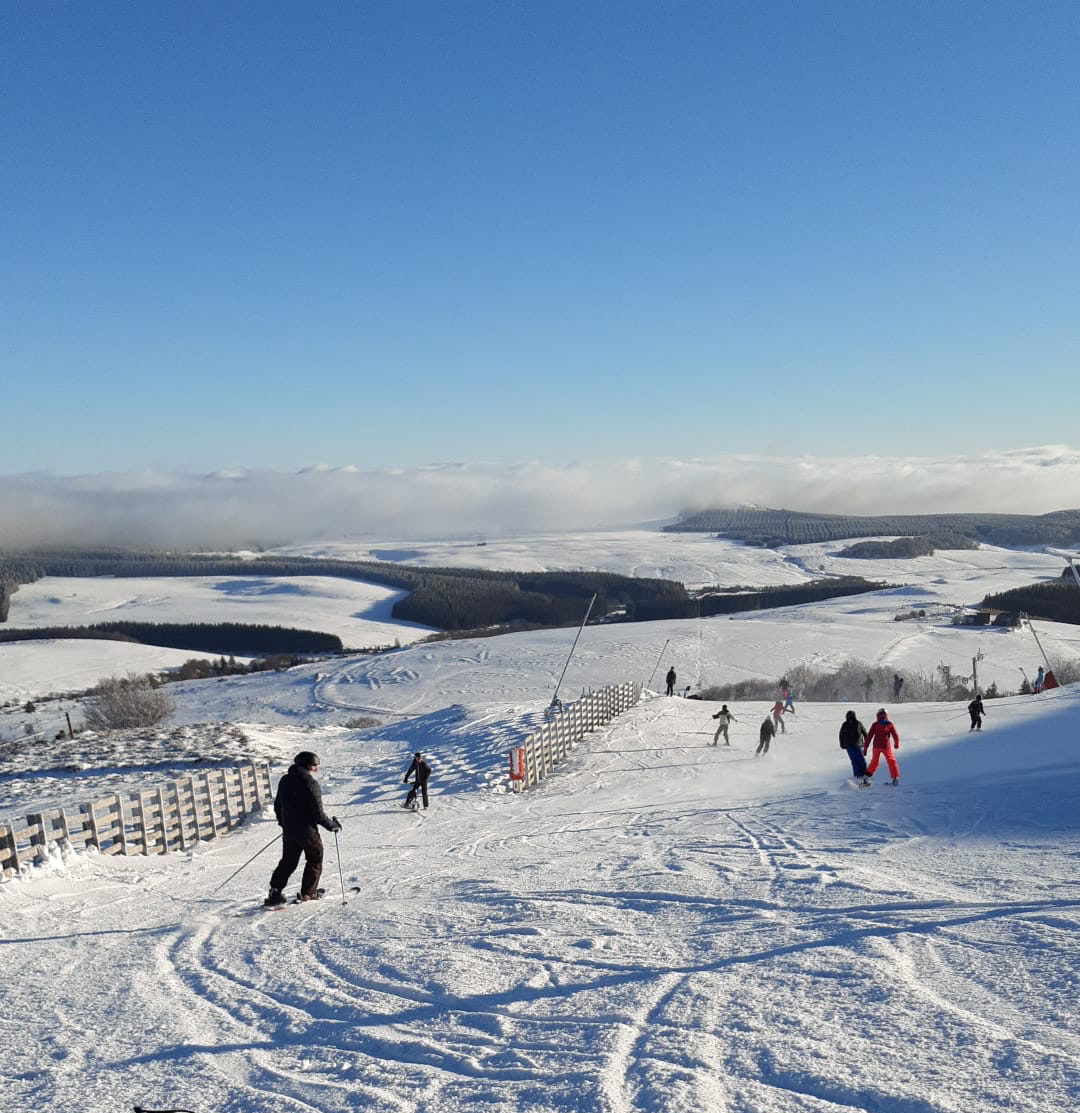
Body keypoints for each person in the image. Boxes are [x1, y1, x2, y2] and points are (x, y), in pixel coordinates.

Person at [265, 751, 340, 906]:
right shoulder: (311, 783)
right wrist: (332, 826)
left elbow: (278, 806)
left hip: (290, 831)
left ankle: (275, 893)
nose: (316, 769)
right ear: (307, 765)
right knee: (315, 856)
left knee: (288, 861)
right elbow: (318, 814)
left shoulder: (285, 780)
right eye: (314, 765)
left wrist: (284, 823)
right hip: (307, 831)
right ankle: (308, 892)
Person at [863, 708, 900, 784]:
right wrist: (896, 744)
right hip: (885, 747)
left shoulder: (875, 725)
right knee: (891, 761)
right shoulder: (889, 724)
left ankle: (866, 777)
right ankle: (895, 778)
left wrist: (865, 748)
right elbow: (895, 736)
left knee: (874, 762)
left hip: (876, 746)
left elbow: (869, 737)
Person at [839, 710, 869, 784]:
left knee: (859, 759)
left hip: (856, 744)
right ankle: (858, 775)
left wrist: (866, 741)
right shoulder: (845, 724)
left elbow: (864, 732)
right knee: (856, 760)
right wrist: (842, 744)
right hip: (851, 745)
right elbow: (841, 735)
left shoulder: (858, 723)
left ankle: (863, 774)